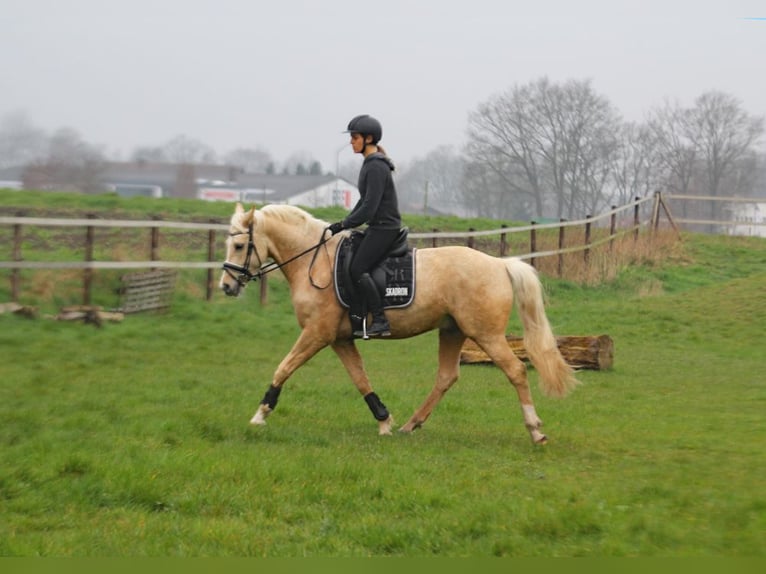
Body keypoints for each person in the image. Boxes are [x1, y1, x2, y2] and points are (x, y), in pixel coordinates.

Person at [328, 114, 402, 338]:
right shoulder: (370, 164)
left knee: (357, 268)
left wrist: (345, 224)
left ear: (369, 138)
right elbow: (363, 201)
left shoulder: (376, 167)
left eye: (355, 137)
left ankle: (380, 320)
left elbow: (370, 206)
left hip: (385, 228)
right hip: (377, 227)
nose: (351, 141)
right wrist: (344, 223)